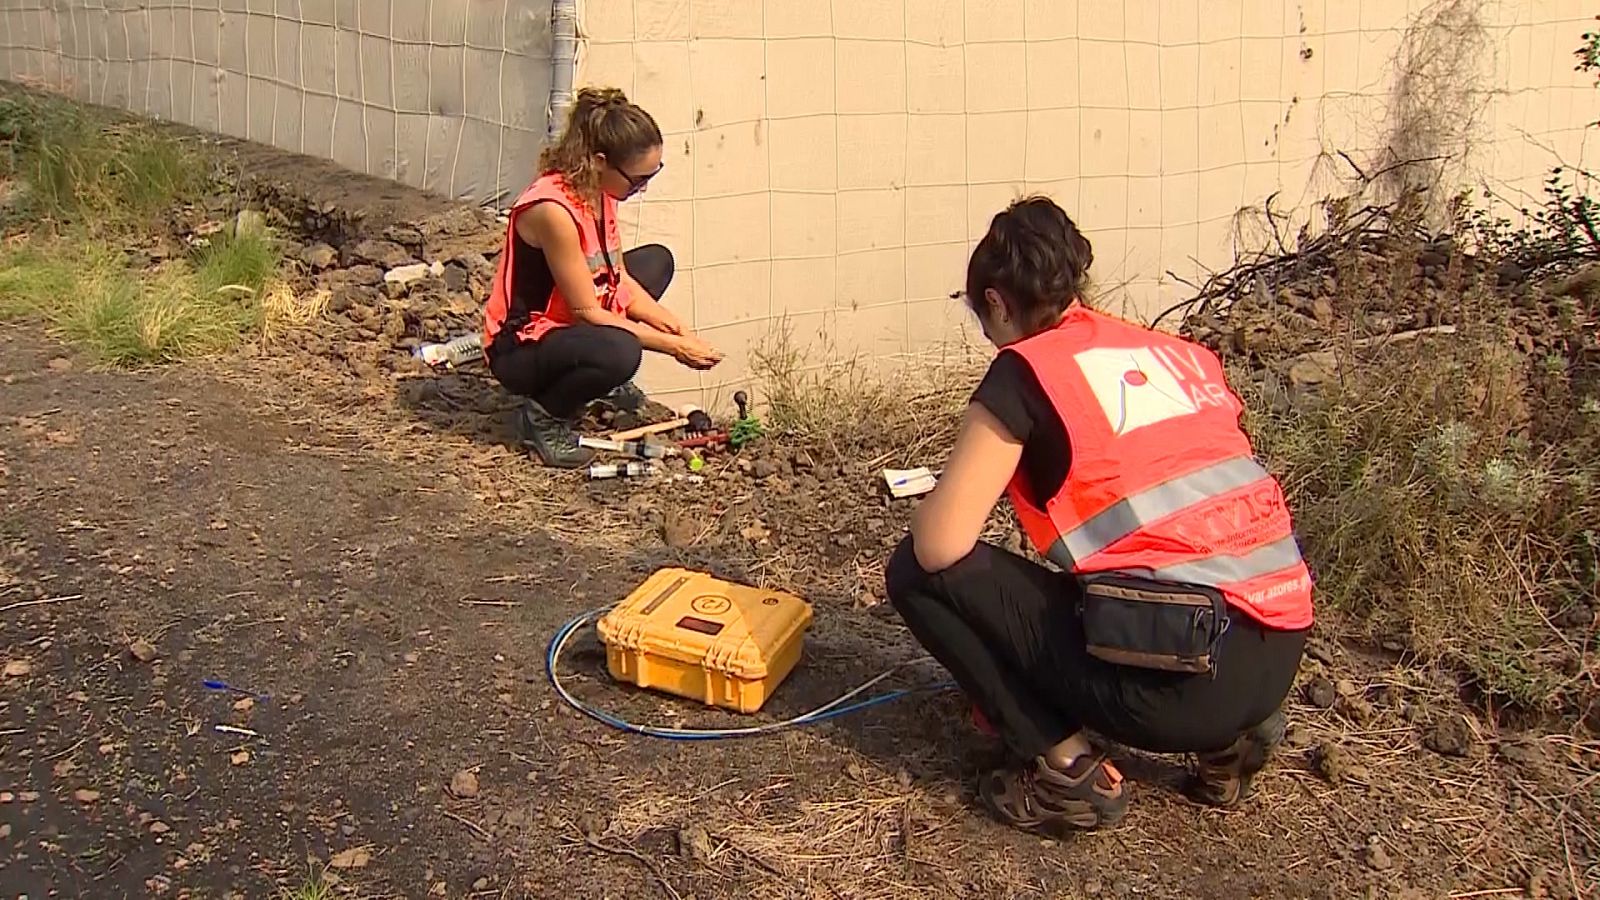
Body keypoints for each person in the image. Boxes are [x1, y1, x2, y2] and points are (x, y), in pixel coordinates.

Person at [885, 196, 1314, 834]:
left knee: (915, 573)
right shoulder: (1172, 353)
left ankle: (1069, 773)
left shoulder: (1025, 371)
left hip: (1181, 683)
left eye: (985, 321)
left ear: (999, 304)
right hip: (1277, 652)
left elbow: (941, 546)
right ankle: (1231, 746)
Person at [482, 87, 723, 468]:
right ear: (599, 161)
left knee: (657, 262)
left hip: (569, 319)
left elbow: (617, 276)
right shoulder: (554, 211)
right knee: (622, 352)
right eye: (637, 180)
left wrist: (674, 325)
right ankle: (543, 417)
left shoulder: (600, 190)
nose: (641, 189)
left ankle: (596, 375)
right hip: (521, 345)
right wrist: (673, 347)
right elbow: (587, 312)